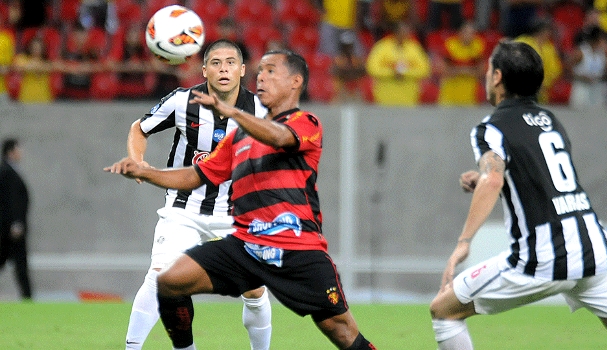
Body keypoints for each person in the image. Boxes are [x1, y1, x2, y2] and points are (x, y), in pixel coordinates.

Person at [105, 49, 376, 350]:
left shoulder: (306, 123)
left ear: (295, 82)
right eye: (261, 71)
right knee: (170, 280)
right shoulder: (235, 136)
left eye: (271, 71)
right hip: (245, 240)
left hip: (298, 247)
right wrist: (146, 171)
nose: (262, 76)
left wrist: (232, 113)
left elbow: (279, 137)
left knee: (341, 332)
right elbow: (196, 176)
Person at [429, 40, 607, 350]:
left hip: (544, 256)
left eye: (490, 68)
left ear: (497, 77)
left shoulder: (491, 128)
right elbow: (535, 174)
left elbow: (494, 180)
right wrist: (484, 177)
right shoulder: (550, 121)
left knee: (444, 310)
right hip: (594, 251)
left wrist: (463, 243)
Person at [121, 39, 272, 350]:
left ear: (243, 70)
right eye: (216, 63)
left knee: (254, 290)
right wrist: (137, 161)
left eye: (230, 62)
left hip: (236, 212)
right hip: (183, 207)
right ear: (204, 70)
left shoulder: (261, 111)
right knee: (161, 276)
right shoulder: (182, 101)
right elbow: (139, 128)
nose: (223, 68)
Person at [366, 20, 431, 105]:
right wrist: (392, 73)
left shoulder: (414, 48)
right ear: (396, 32)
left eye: (407, 31)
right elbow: (372, 68)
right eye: (403, 32)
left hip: (409, 99)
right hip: (385, 98)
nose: (407, 34)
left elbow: (425, 69)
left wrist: (405, 73)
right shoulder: (382, 47)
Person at [0, 138, 33, 301]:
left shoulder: (11, 171)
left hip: (11, 229)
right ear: (11, 151)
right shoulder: (6, 172)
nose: (21, 152)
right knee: (20, 266)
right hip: (10, 230)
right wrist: (16, 223)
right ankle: (27, 298)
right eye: (18, 149)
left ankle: (28, 298)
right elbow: (10, 201)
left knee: (20, 266)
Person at [437, 20, 486, 106]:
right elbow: (444, 70)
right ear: (460, 32)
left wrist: (458, 71)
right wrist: (466, 71)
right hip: (449, 94)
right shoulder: (450, 45)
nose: (470, 35)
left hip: (470, 96)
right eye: (467, 32)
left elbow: (481, 72)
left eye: (472, 33)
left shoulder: (478, 45)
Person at [514, 18, 562, 104]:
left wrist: (544, 83)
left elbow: (555, 70)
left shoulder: (549, 48)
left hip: (541, 91)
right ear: (541, 31)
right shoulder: (523, 41)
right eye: (548, 30)